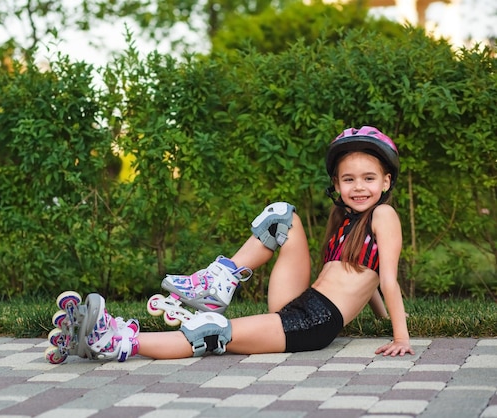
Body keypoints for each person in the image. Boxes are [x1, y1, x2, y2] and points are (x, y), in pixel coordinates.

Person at [45, 126, 414, 364]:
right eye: (349, 179)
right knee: (283, 217)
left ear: (386, 182)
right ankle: (218, 282)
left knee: (212, 332)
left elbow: (388, 280)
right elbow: (368, 280)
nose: (359, 186)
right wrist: (380, 318)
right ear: (336, 185)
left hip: (314, 323)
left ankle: (118, 341)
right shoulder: (346, 222)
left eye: (369, 178)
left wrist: (400, 335)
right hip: (303, 304)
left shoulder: (385, 216)